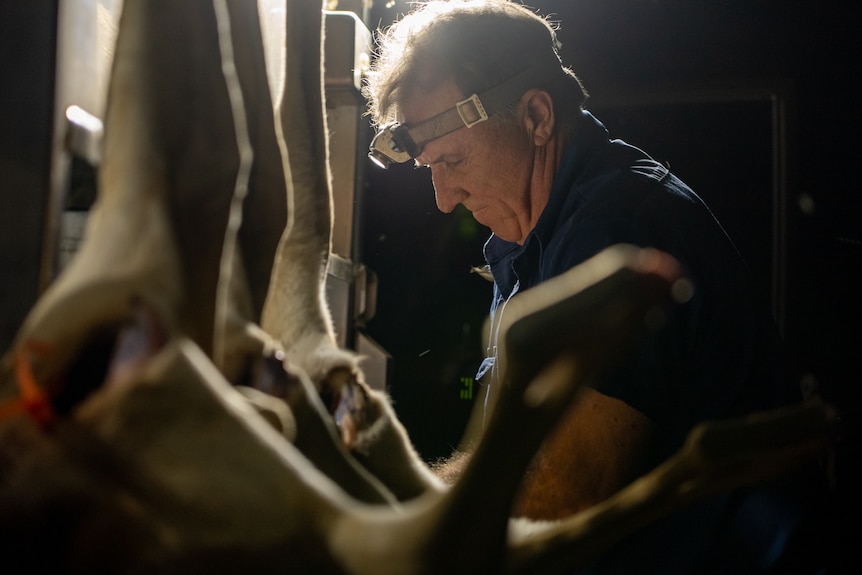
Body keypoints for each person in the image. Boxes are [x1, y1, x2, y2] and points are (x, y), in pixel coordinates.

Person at [362, 1, 822, 573]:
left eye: (451, 159)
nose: (443, 197)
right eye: (430, 167)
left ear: (536, 117)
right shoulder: (529, 240)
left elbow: (558, 494)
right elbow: (498, 461)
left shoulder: (617, 229)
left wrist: (371, 522)